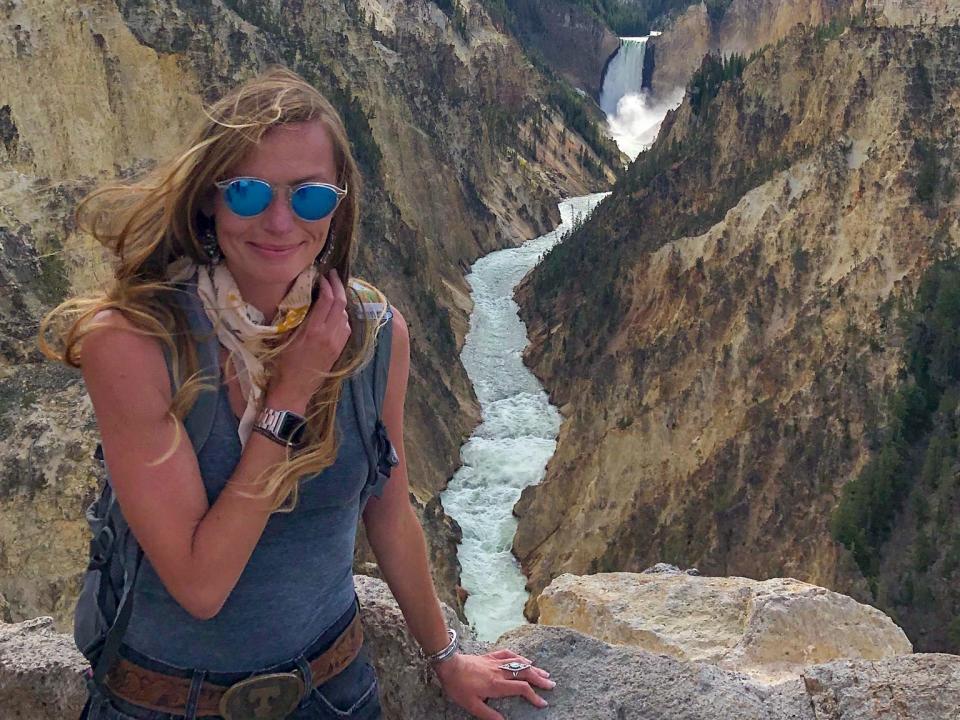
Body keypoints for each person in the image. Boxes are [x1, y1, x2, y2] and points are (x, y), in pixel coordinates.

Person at [40, 66, 554, 720]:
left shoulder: (375, 335)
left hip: (335, 693)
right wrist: (292, 393)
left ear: (336, 206)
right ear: (210, 200)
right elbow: (201, 586)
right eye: (250, 194)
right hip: (165, 704)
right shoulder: (137, 344)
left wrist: (444, 656)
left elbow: (388, 513)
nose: (280, 221)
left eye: (309, 197)